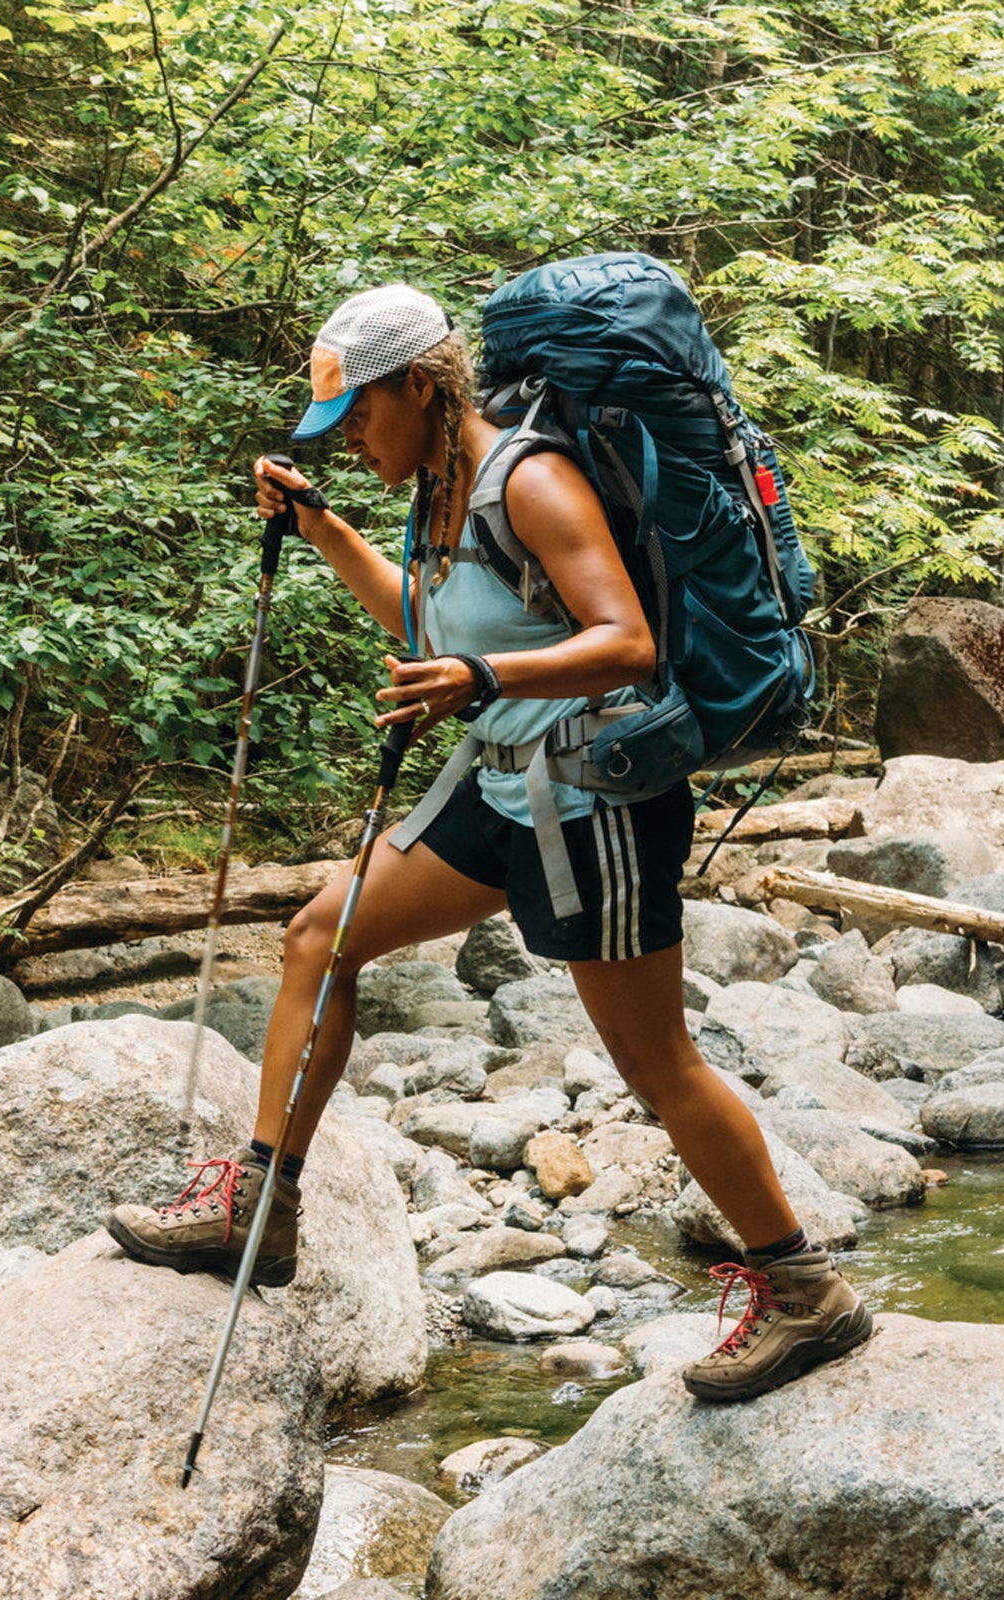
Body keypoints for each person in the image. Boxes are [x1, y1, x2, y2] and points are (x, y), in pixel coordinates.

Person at [107, 284, 873, 1401]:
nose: (352, 436)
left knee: (655, 1065)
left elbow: (628, 641)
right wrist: (322, 523)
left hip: (596, 797)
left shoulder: (532, 478)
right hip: (503, 783)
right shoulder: (441, 491)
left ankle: (806, 1293)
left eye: (359, 414)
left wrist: (479, 679)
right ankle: (256, 1214)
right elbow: (426, 625)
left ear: (419, 384)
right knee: (318, 938)